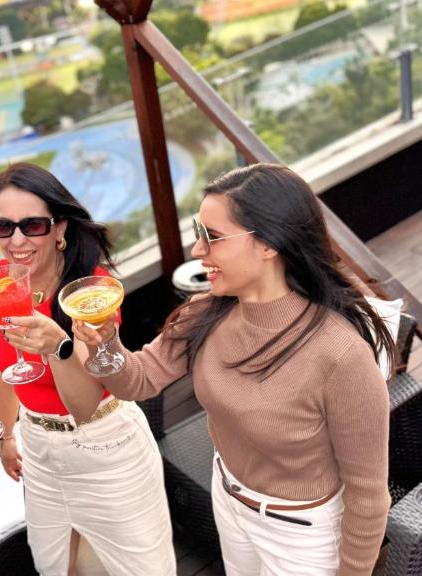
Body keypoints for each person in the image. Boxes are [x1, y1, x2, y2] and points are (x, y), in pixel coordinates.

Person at [71, 163, 396, 575]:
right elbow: (138, 380)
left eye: (213, 237)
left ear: (268, 244)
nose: (197, 251)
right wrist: (104, 345)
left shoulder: (341, 355)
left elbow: (368, 495)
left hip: (302, 535)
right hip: (228, 500)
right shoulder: (204, 312)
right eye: (197, 232)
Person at [0, 163, 175, 575]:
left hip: (104, 449)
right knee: (56, 567)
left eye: (32, 225)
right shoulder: (1, 283)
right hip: (39, 449)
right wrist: (7, 433)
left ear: (59, 227)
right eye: (2, 227)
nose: (16, 240)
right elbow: (5, 365)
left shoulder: (91, 292)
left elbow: (85, 406)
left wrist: (59, 347)